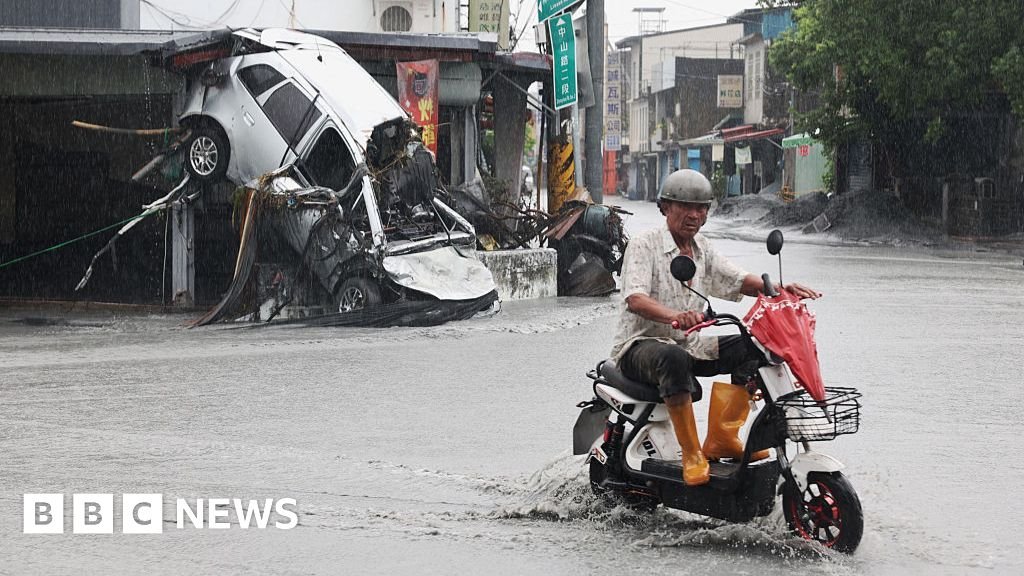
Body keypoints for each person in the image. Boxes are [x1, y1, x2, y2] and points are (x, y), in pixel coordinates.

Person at [610, 169, 821, 486]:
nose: (694, 215)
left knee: (754, 346)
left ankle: (722, 438)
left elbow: (737, 279)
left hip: (688, 344)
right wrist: (674, 316)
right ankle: (692, 454)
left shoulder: (702, 249)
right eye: (685, 206)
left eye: (701, 208)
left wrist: (778, 289)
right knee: (673, 358)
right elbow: (635, 299)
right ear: (665, 207)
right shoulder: (644, 245)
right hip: (640, 346)